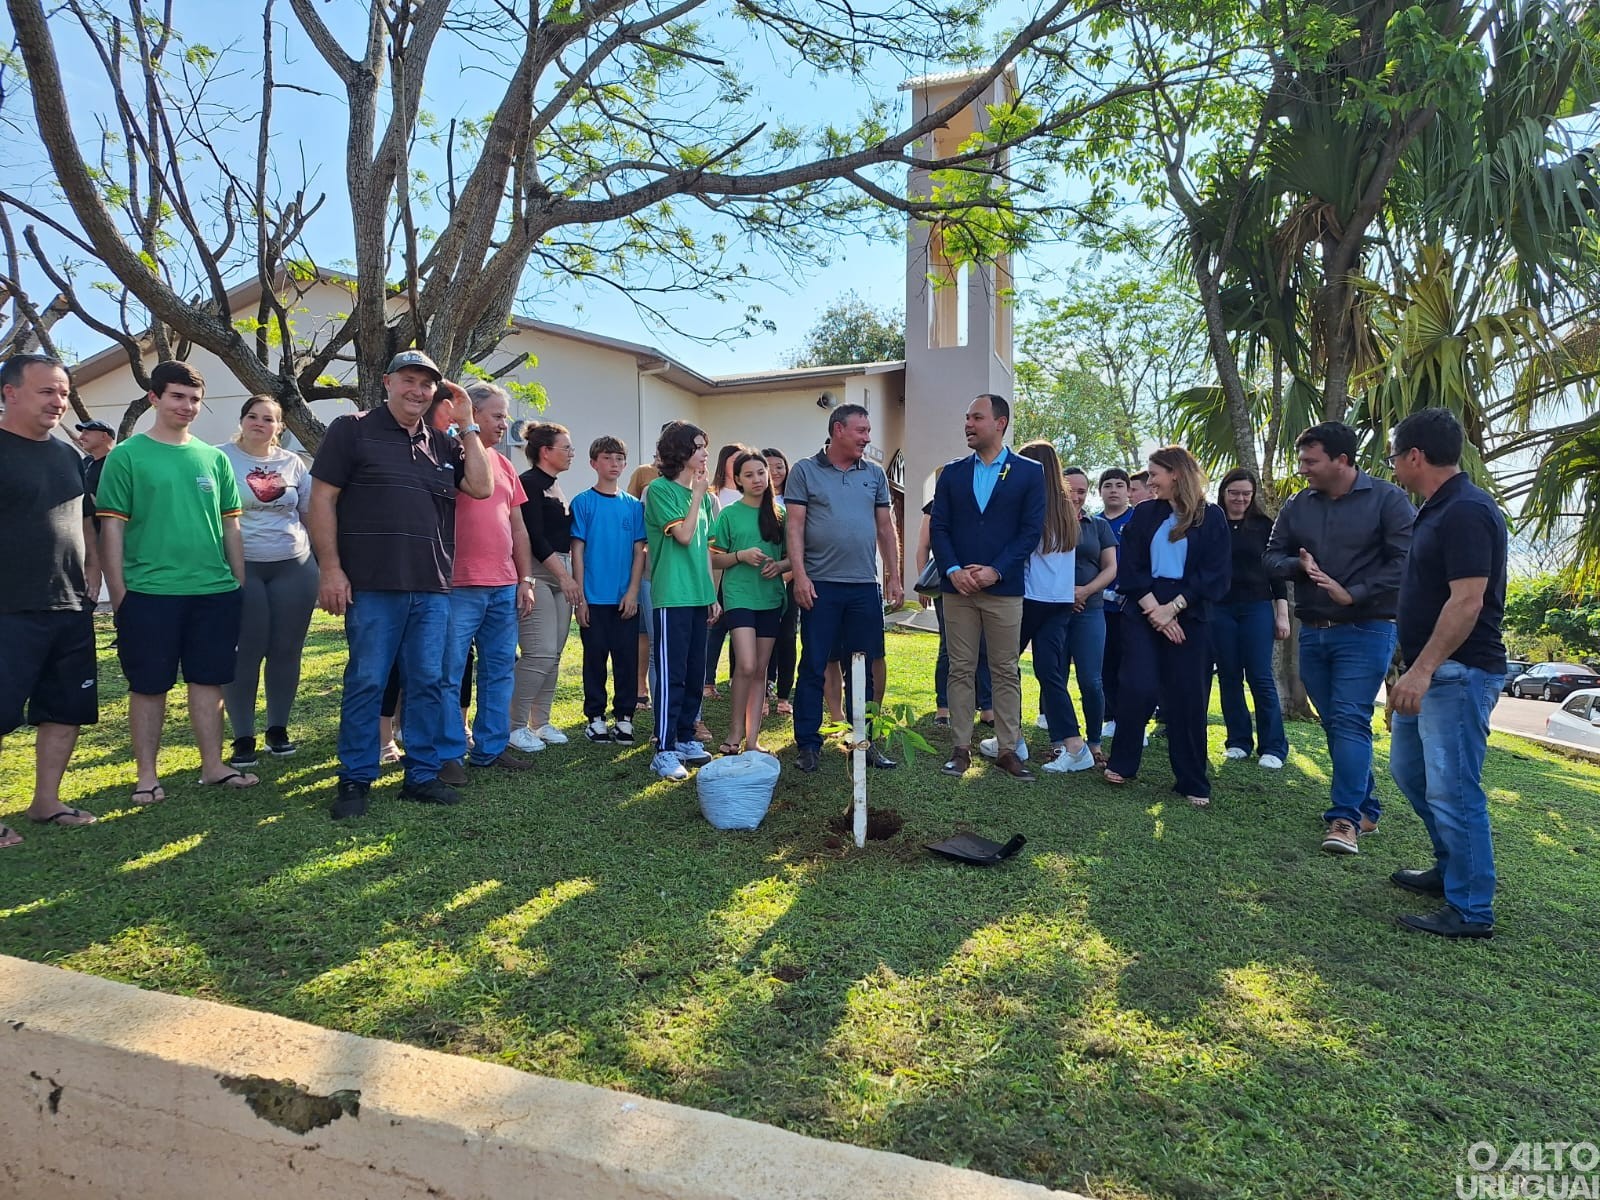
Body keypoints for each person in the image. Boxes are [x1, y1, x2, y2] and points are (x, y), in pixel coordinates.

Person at [308, 349, 492, 819]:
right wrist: (330, 568)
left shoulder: (443, 443)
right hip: (371, 586)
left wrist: (467, 423)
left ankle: (422, 775)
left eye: (427, 384)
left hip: (431, 587)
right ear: (387, 381)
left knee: (428, 683)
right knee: (367, 681)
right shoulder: (352, 429)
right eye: (409, 380)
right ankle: (355, 779)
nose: (418, 390)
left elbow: (482, 486)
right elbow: (322, 500)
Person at [97, 360, 254, 803]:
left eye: (194, 400)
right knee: (149, 686)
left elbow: (231, 528)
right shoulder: (126, 456)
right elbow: (112, 529)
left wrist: (237, 583)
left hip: (214, 592)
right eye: (177, 397)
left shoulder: (214, 458)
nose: (186, 406)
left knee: (208, 681)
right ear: (155, 398)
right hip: (148, 594)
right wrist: (120, 594)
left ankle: (213, 766)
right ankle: (147, 774)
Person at [1265, 421, 1414, 854]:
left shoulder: (1389, 499)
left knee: (1349, 720)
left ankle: (1344, 820)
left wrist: (1355, 594)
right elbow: (1270, 559)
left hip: (1368, 628)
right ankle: (1366, 808)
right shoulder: (1297, 505)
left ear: (1341, 460)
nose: (1303, 469)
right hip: (1313, 630)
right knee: (1336, 723)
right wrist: (1298, 565)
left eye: (1311, 461)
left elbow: (1405, 561)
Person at [1385, 409, 1507, 938]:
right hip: (1427, 672)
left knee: (1455, 790)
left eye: (1395, 454)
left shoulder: (1466, 511)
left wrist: (1424, 670)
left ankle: (1471, 908)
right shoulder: (1434, 509)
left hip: (1458, 673)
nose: (1391, 464)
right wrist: (1405, 671)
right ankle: (1449, 868)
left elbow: (1467, 601)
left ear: (1415, 455)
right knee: (1410, 773)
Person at [0, 354, 101, 847]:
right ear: (10, 392)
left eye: (62, 392)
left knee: (65, 708)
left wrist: (93, 572)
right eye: (47, 392)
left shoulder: (67, 457)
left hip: (68, 604)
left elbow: (84, 522)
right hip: (8, 606)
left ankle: (47, 801)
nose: (59, 402)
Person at [1103, 446, 1230, 805]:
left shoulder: (1212, 517)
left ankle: (1192, 780)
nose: (1149, 479)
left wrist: (1173, 609)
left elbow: (1216, 575)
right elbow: (1130, 569)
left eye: (1154, 472)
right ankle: (1123, 763)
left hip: (1190, 612)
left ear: (1175, 473)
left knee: (1188, 696)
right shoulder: (1145, 513)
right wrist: (1155, 613)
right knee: (1137, 687)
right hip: (1144, 607)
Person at [930, 394, 1045, 782]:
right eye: (966, 418)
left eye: (976, 417)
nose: (967, 424)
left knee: (1004, 670)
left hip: (1004, 588)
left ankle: (1008, 750)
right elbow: (939, 527)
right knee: (960, 668)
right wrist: (953, 569)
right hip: (957, 589)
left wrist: (996, 570)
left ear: (1000, 423)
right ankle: (960, 749)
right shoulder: (952, 472)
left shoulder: (1030, 472)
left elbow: (1031, 531)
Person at [786, 404, 904, 774]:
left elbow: (885, 527)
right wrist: (801, 577)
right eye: (861, 431)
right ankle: (808, 744)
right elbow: (795, 528)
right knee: (814, 665)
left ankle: (863, 742)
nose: (867, 438)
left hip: (862, 587)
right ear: (838, 430)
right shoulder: (805, 471)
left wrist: (894, 576)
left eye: (868, 431)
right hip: (820, 585)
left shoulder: (873, 475)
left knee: (864, 667)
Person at [439, 383, 538, 775]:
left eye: (505, 415)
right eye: (497, 415)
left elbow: (518, 528)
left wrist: (525, 578)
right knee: (449, 673)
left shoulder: (504, 464)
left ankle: (490, 749)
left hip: (503, 585)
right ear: (470, 414)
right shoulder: (447, 454)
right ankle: (447, 753)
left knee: (498, 671)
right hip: (458, 584)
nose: (504, 423)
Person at [218, 396, 319, 768]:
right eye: (253, 417)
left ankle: (278, 728)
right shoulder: (220, 458)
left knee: (286, 649)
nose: (260, 423)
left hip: (294, 565)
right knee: (246, 652)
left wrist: (324, 565)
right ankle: (243, 736)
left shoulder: (293, 463)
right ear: (242, 420)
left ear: (280, 427)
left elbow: (308, 513)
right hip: (243, 567)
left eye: (269, 419)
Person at [1008, 455, 1117, 773]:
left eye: (1083, 491)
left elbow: (1110, 567)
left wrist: (1082, 592)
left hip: (1079, 607)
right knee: (1043, 670)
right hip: (1055, 602)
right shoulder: (1042, 513)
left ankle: (1088, 743)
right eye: (1072, 489)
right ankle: (1033, 739)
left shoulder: (1095, 525)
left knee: (1087, 678)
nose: (1077, 496)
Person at [644, 421, 719, 781]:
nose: (706, 453)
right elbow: (686, 536)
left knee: (694, 674)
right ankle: (664, 747)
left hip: (696, 596)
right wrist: (696, 496)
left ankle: (686, 737)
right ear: (683, 452)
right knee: (672, 675)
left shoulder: (701, 497)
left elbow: (704, 548)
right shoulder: (659, 491)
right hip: (671, 596)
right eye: (700, 447)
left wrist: (710, 593)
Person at [1209, 467, 1291, 770]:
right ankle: (1238, 741)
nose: (1240, 498)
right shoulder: (1211, 522)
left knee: (1259, 676)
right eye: (1234, 493)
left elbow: (1278, 576)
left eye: (1246, 493)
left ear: (1253, 494)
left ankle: (1274, 746)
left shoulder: (1263, 525)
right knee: (1229, 677)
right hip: (1220, 609)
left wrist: (1282, 616)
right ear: (1223, 493)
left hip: (1256, 608)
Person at [509, 422, 582, 753]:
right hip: (538, 572)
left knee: (553, 654)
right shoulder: (528, 484)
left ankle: (541, 722)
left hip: (561, 570)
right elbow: (534, 537)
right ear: (545, 451)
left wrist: (568, 575)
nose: (571, 454)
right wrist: (564, 578)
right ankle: (514, 726)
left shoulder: (555, 485)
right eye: (566, 448)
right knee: (537, 653)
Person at [710, 450, 789, 754]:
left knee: (760, 669)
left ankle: (752, 740)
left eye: (761, 472)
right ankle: (733, 734)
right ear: (738, 480)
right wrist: (741, 556)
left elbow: (791, 558)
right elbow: (715, 559)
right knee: (745, 664)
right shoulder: (729, 513)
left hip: (770, 597)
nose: (757, 479)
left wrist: (779, 567)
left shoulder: (780, 515)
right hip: (739, 596)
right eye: (749, 475)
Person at [571, 435, 646, 743]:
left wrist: (632, 592)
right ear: (593, 463)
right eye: (607, 458)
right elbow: (577, 550)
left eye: (619, 459)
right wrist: (581, 598)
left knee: (627, 659)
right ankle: (596, 717)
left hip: (624, 599)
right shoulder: (583, 503)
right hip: (594, 598)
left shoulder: (633, 507)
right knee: (595, 659)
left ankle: (625, 717)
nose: (613, 464)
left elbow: (639, 551)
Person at [917, 482, 993, 728]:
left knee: (983, 645)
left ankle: (987, 707)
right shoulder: (935, 506)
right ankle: (944, 706)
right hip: (947, 584)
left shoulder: (984, 504)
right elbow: (923, 547)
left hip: (982, 583)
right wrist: (923, 583)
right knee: (949, 646)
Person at [703, 441, 752, 700]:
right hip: (718, 570)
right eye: (735, 459)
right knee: (715, 626)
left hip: (742, 574)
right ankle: (707, 680)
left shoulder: (751, 497)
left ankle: (737, 677)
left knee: (739, 629)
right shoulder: (715, 494)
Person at [1096, 467, 1135, 736]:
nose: (1113, 490)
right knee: (1105, 663)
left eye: (1119, 485)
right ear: (1099, 492)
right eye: (1107, 485)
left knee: (1130, 664)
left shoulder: (1137, 520)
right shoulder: (1093, 523)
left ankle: (1132, 719)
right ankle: (1111, 716)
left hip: (1130, 606)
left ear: (1129, 491)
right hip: (1099, 606)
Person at [762, 447, 798, 716]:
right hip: (759, 583)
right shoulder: (752, 505)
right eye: (767, 467)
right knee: (761, 640)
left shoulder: (793, 502)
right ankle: (762, 692)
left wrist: (787, 574)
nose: (774, 472)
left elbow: (799, 547)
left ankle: (784, 694)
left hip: (789, 580)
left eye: (779, 466)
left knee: (786, 637)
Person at [627, 462, 660, 709]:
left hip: (665, 574)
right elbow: (633, 507)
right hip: (647, 567)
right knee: (645, 636)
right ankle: (639, 685)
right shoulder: (645, 476)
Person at [75, 418, 116, 602]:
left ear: (104, 436)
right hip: (87, 534)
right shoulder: (85, 463)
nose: (81, 437)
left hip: (114, 535)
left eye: (87, 432)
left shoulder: (116, 464)